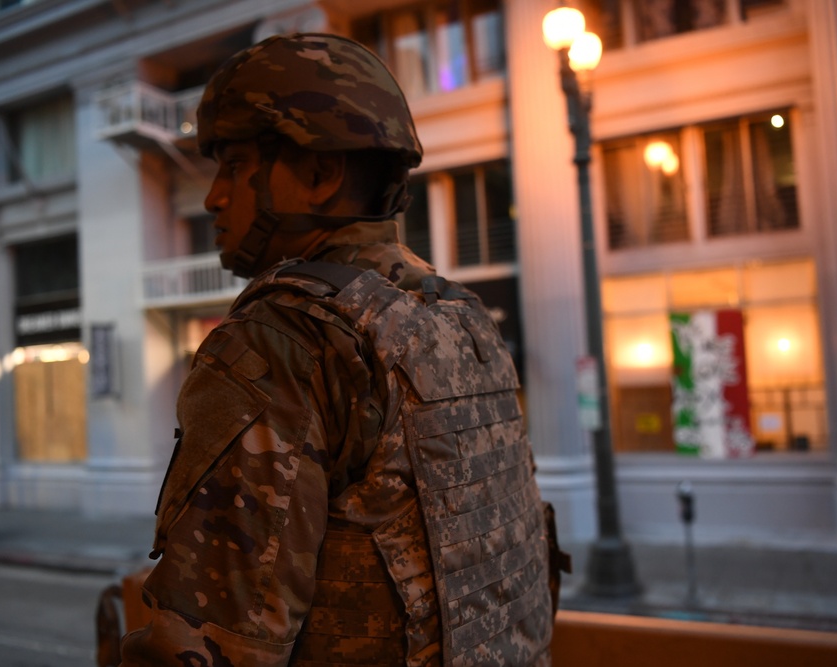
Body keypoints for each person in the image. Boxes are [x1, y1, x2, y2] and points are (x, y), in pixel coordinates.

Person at [121, 32, 557, 667]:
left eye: (235, 167)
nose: (215, 196)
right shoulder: (464, 320)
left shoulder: (286, 340)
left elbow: (208, 648)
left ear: (319, 176)